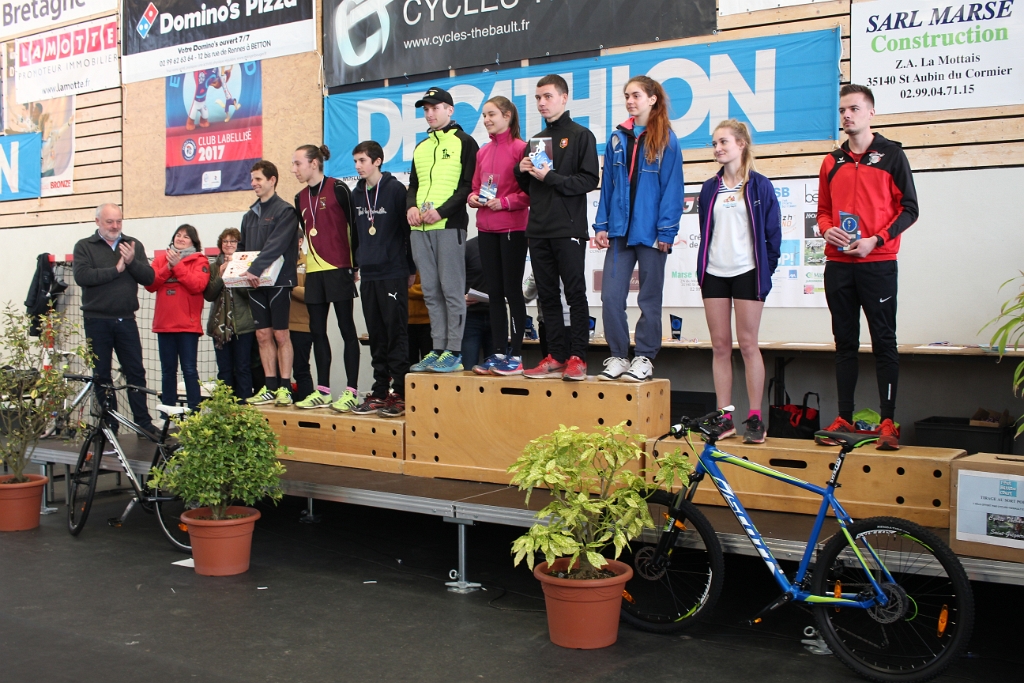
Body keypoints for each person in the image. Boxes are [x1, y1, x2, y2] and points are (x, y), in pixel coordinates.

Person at [816, 84, 919, 451]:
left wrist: (877, 239)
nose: (847, 115)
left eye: (854, 109)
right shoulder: (831, 162)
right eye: (843, 110)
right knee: (844, 343)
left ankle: (888, 420)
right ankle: (844, 417)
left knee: (883, 341)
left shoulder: (892, 156)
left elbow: (910, 209)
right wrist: (827, 230)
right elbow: (823, 211)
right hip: (838, 266)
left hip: (878, 264)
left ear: (871, 113)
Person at [593, 76, 683, 383]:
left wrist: (666, 231)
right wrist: (602, 225)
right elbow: (607, 186)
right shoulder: (617, 138)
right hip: (619, 231)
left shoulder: (667, 139)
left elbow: (673, 188)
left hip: (651, 232)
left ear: (652, 99)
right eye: (627, 96)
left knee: (649, 298)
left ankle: (644, 357)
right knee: (610, 297)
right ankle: (619, 355)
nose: (630, 101)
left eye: (636, 95)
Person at [696, 121, 781, 444]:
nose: (717, 148)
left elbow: (773, 237)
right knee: (720, 346)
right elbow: (707, 232)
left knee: (747, 344)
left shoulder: (759, 186)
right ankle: (725, 417)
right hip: (714, 274)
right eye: (714, 143)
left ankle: (755, 417)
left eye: (723, 142)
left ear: (741, 144)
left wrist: (764, 270)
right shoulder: (709, 188)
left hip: (748, 272)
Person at [514, 74, 600, 381]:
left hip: (568, 228)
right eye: (538, 98)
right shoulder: (536, 141)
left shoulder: (581, 135)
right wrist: (521, 171)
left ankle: (578, 357)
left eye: (548, 96)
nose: (542, 103)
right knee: (547, 296)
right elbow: (531, 188)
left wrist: (550, 177)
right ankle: (556, 355)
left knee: (574, 294)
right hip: (538, 228)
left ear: (564, 98)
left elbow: (589, 180)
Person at [406, 87, 479, 373]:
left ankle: (455, 351)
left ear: (450, 110)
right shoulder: (421, 147)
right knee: (430, 292)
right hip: (420, 230)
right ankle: (437, 349)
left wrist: (442, 211)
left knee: (451, 290)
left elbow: (467, 186)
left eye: (435, 108)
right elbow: (413, 184)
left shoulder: (465, 142)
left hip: (449, 226)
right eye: (426, 109)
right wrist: (411, 207)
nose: (430, 114)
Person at [72, 203, 158, 439]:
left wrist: (131, 262)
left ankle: (143, 425)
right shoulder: (84, 246)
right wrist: (116, 269)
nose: (115, 226)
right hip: (96, 320)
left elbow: (149, 278)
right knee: (101, 375)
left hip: (126, 320)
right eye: (109, 221)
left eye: (118, 221)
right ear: (98, 221)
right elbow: (82, 276)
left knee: (136, 372)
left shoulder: (132, 245)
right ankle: (109, 426)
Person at [291, 144, 361, 412]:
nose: (294, 169)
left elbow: (354, 226)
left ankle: (351, 391)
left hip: (339, 267)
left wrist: (355, 265)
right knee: (317, 332)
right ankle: (322, 391)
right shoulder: (299, 198)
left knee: (346, 330)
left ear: (314, 163)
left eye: (298, 163)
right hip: (314, 272)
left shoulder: (338, 188)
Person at [349, 140, 414, 418]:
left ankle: (400, 392)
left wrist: (410, 267)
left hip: (393, 271)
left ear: (377, 161)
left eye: (362, 160)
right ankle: (379, 391)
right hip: (369, 273)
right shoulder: (356, 193)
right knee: (375, 334)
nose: (358, 166)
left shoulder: (396, 189)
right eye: (355, 161)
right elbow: (355, 233)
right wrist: (355, 264)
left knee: (395, 332)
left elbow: (407, 232)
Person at [467, 96, 530, 375]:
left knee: (511, 291)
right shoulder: (482, 152)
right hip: (486, 228)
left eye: (491, 114)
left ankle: (515, 354)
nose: (486, 120)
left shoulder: (521, 148)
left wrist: (504, 203)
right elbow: (475, 187)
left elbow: (530, 193)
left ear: (507, 116)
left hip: (513, 228)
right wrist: (473, 198)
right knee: (493, 293)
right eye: (484, 115)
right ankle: (497, 353)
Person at [240, 160, 301, 406]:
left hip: (279, 282)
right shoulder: (249, 215)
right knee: (262, 335)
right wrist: (234, 268)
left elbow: (276, 245)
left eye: (258, 179)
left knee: (280, 334)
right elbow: (242, 250)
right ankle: (270, 386)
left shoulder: (285, 211)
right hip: (255, 283)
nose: (253, 183)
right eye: (252, 179)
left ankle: (285, 387)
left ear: (272, 180)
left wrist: (254, 268)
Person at [146, 225, 210, 411]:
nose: (181, 239)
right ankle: (167, 415)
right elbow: (151, 284)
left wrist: (178, 266)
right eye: (178, 235)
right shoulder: (160, 259)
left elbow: (197, 285)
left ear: (193, 242)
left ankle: (194, 413)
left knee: (189, 370)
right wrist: (168, 267)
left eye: (186, 237)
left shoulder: (200, 261)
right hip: (164, 325)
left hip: (187, 326)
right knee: (167, 371)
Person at [204, 228, 256, 401]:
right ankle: (225, 407)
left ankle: (244, 408)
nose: (228, 244)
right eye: (225, 241)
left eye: (233, 241)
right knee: (224, 370)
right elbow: (209, 295)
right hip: (220, 327)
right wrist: (221, 275)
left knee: (243, 368)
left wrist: (234, 273)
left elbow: (249, 294)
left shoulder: (247, 265)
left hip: (243, 325)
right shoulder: (213, 267)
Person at [460, 236, 492, 370]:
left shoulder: (504, 247)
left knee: (496, 369)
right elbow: (453, 278)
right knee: (468, 366)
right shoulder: (468, 248)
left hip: (496, 316)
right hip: (471, 316)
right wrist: (460, 297)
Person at [290, 233, 314, 402]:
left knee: (301, 369)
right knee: (280, 372)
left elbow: (312, 293)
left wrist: (289, 286)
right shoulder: (279, 262)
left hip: (302, 325)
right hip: (279, 325)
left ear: (300, 241)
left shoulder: (309, 263)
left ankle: (307, 403)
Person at [407, 272, 433, 366]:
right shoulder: (402, 266)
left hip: (429, 321)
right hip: (406, 322)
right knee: (408, 363)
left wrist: (405, 289)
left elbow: (432, 289)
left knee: (429, 363)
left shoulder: (428, 265)